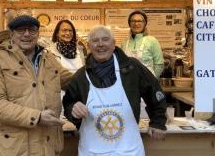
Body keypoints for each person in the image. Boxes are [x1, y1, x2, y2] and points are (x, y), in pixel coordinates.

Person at [63, 26, 167, 156]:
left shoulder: (131, 68)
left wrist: (158, 121)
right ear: (89, 46)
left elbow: (154, 91)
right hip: (92, 151)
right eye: (95, 41)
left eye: (105, 39)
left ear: (113, 44)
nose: (100, 44)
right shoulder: (80, 76)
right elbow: (68, 103)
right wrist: (73, 109)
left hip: (129, 151)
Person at [0, 15, 72, 156]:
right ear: (11, 34)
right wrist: (37, 117)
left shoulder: (48, 59)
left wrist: (97, 64)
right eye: (21, 30)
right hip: (17, 149)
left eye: (32, 30)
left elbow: (71, 82)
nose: (27, 34)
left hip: (49, 147)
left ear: (38, 33)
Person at [121, 10, 164, 78]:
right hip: (129, 83)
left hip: (148, 84)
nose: (136, 24)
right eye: (133, 21)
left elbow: (159, 64)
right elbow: (122, 65)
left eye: (139, 21)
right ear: (129, 24)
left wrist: (152, 82)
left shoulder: (152, 41)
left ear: (145, 23)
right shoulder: (124, 43)